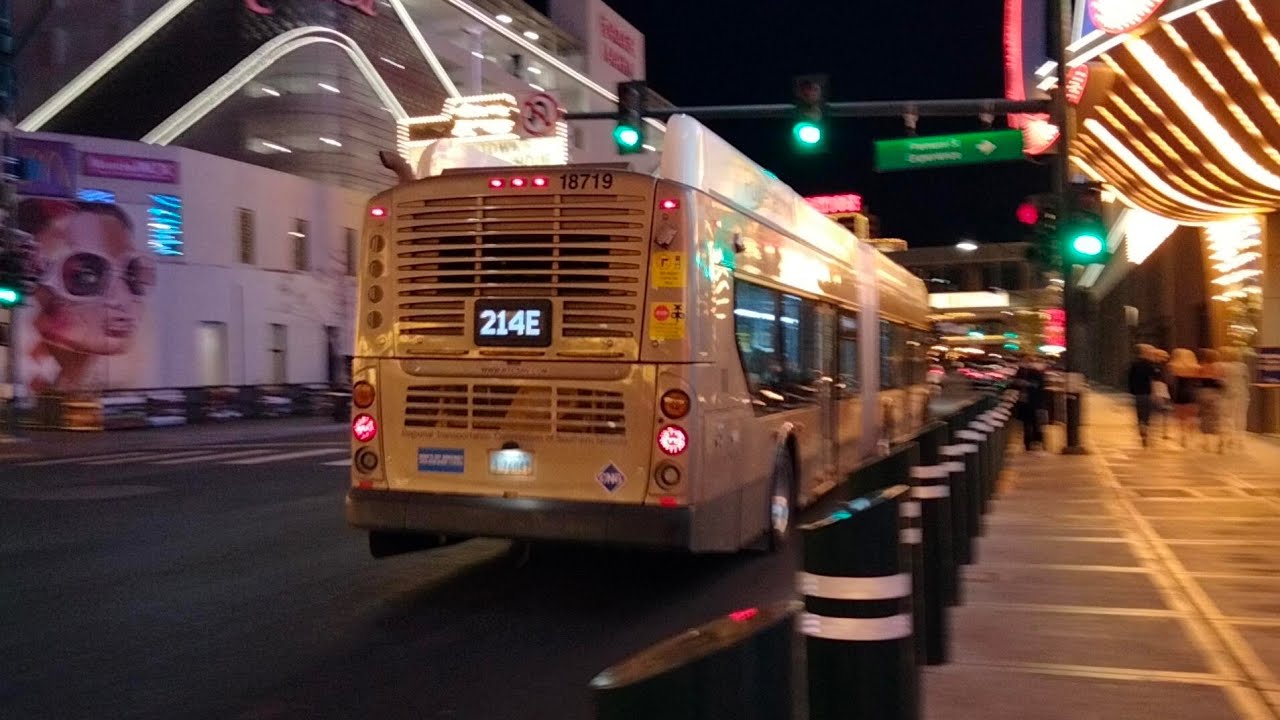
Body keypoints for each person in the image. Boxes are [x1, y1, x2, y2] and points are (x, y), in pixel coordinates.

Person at [15, 199, 155, 394]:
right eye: (86, 275)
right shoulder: (25, 364)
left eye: (132, 272)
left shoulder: (135, 370)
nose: (121, 301)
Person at [1127, 344, 1161, 447]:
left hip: (1138, 393)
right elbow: (1156, 378)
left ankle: (1141, 429)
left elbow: (1130, 379)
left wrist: (1132, 390)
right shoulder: (1150, 365)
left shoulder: (1134, 365)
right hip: (1148, 392)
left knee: (1139, 412)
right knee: (1147, 413)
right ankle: (1146, 428)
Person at [1218, 346, 1251, 450]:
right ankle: (1240, 439)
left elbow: (1220, 381)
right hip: (1242, 393)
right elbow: (1247, 381)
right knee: (1240, 417)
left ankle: (1229, 438)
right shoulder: (1242, 366)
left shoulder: (1222, 366)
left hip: (1226, 393)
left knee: (1226, 417)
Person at [1014, 353, 1048, 452]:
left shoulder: (1035, 373)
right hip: (1027, 402)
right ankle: (1030, 442)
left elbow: (1039, 386)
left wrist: (1026, 384)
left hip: (1033, 401)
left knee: (1034, 423)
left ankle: (1035, 441)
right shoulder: (1021, 372)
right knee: (1029, 423)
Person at [1167, 348, 1200, 448]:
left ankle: (1182, 435)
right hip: (1191, 393)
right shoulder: (1195, 367)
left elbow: (1171, 381)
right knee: (1191, 416)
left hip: (1179, 393)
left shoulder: (1173, 366)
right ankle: (1190, 435)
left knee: (1180, 417)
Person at [1197, 349, 1226, 453]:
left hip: (1203, 393)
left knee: (1204, 418)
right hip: (1215, 394)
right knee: (1216, 419)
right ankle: (1220, 441)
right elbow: (1222, 382)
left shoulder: (1202, 367)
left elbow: (1198, 381)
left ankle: (1206, 444)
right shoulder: (1219, 368)